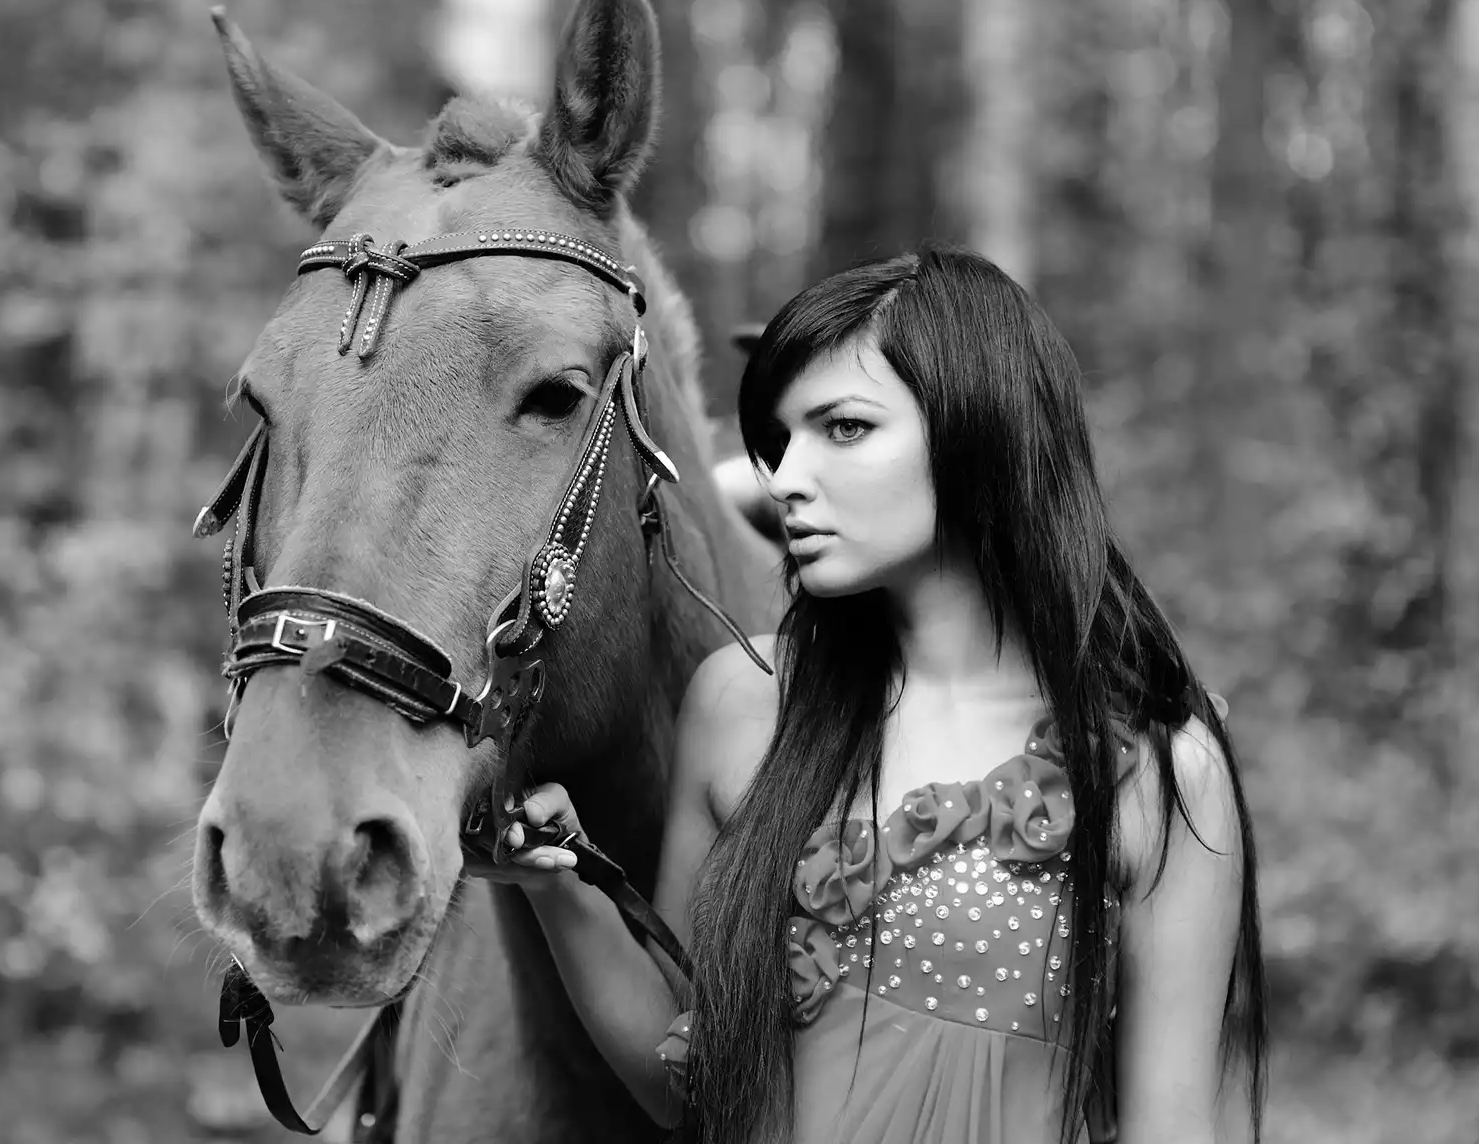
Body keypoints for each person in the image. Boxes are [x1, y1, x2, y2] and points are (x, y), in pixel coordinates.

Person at [467, 244, 1268, 1144]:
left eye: (842, 427)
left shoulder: (1155, 771)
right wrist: (557, 893)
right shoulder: (743, 703)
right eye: (781, 440)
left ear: (983, 427)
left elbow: (1179, 1128)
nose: (787, 477)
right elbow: (692, 1088)